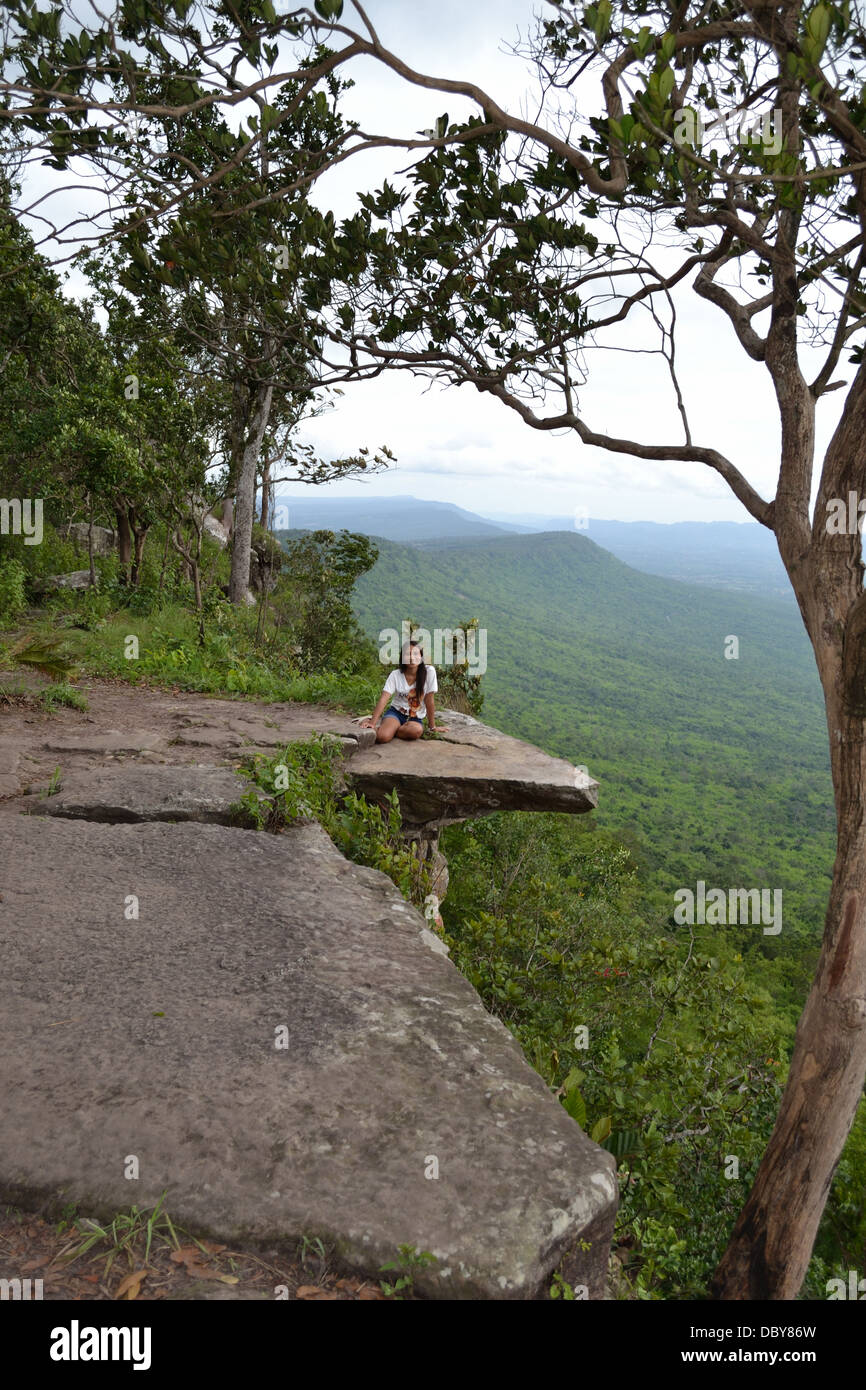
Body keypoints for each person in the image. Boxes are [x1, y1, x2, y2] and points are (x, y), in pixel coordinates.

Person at [361, 640, 439, 741]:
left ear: (421, 656)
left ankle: (393, 730)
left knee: (416, 731)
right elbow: (384, 698)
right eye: (407, 654)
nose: (411, 658)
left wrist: (432, 727)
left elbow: (429, 701)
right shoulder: (395, 675)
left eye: (415, 654)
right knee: (382, 737)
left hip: (415, 718)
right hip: (396, 713)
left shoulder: (429, 672)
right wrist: (372, 723)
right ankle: (389, 728)